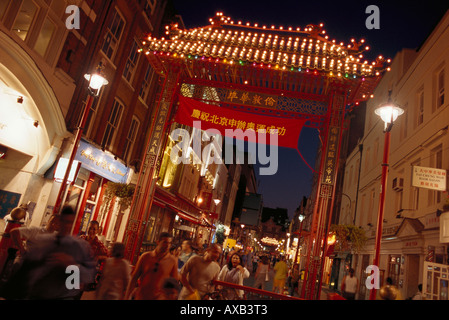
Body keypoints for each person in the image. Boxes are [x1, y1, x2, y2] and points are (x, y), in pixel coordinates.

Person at [0, 206, 96, 300]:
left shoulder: (78, 246)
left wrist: (71, 266)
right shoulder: (44, 240)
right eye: (63, 222)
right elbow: (31, 267)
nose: (65, 225)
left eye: (69, 222)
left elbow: (85, 277)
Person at [125, 232, 178, 300]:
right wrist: (127, 296)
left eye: (170, 243)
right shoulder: (145, 257)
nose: (167, 246)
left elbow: (174, 284)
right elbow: (134, 278)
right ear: (158, 242)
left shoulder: (172, 261)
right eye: (165, 242)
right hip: (142, 296)